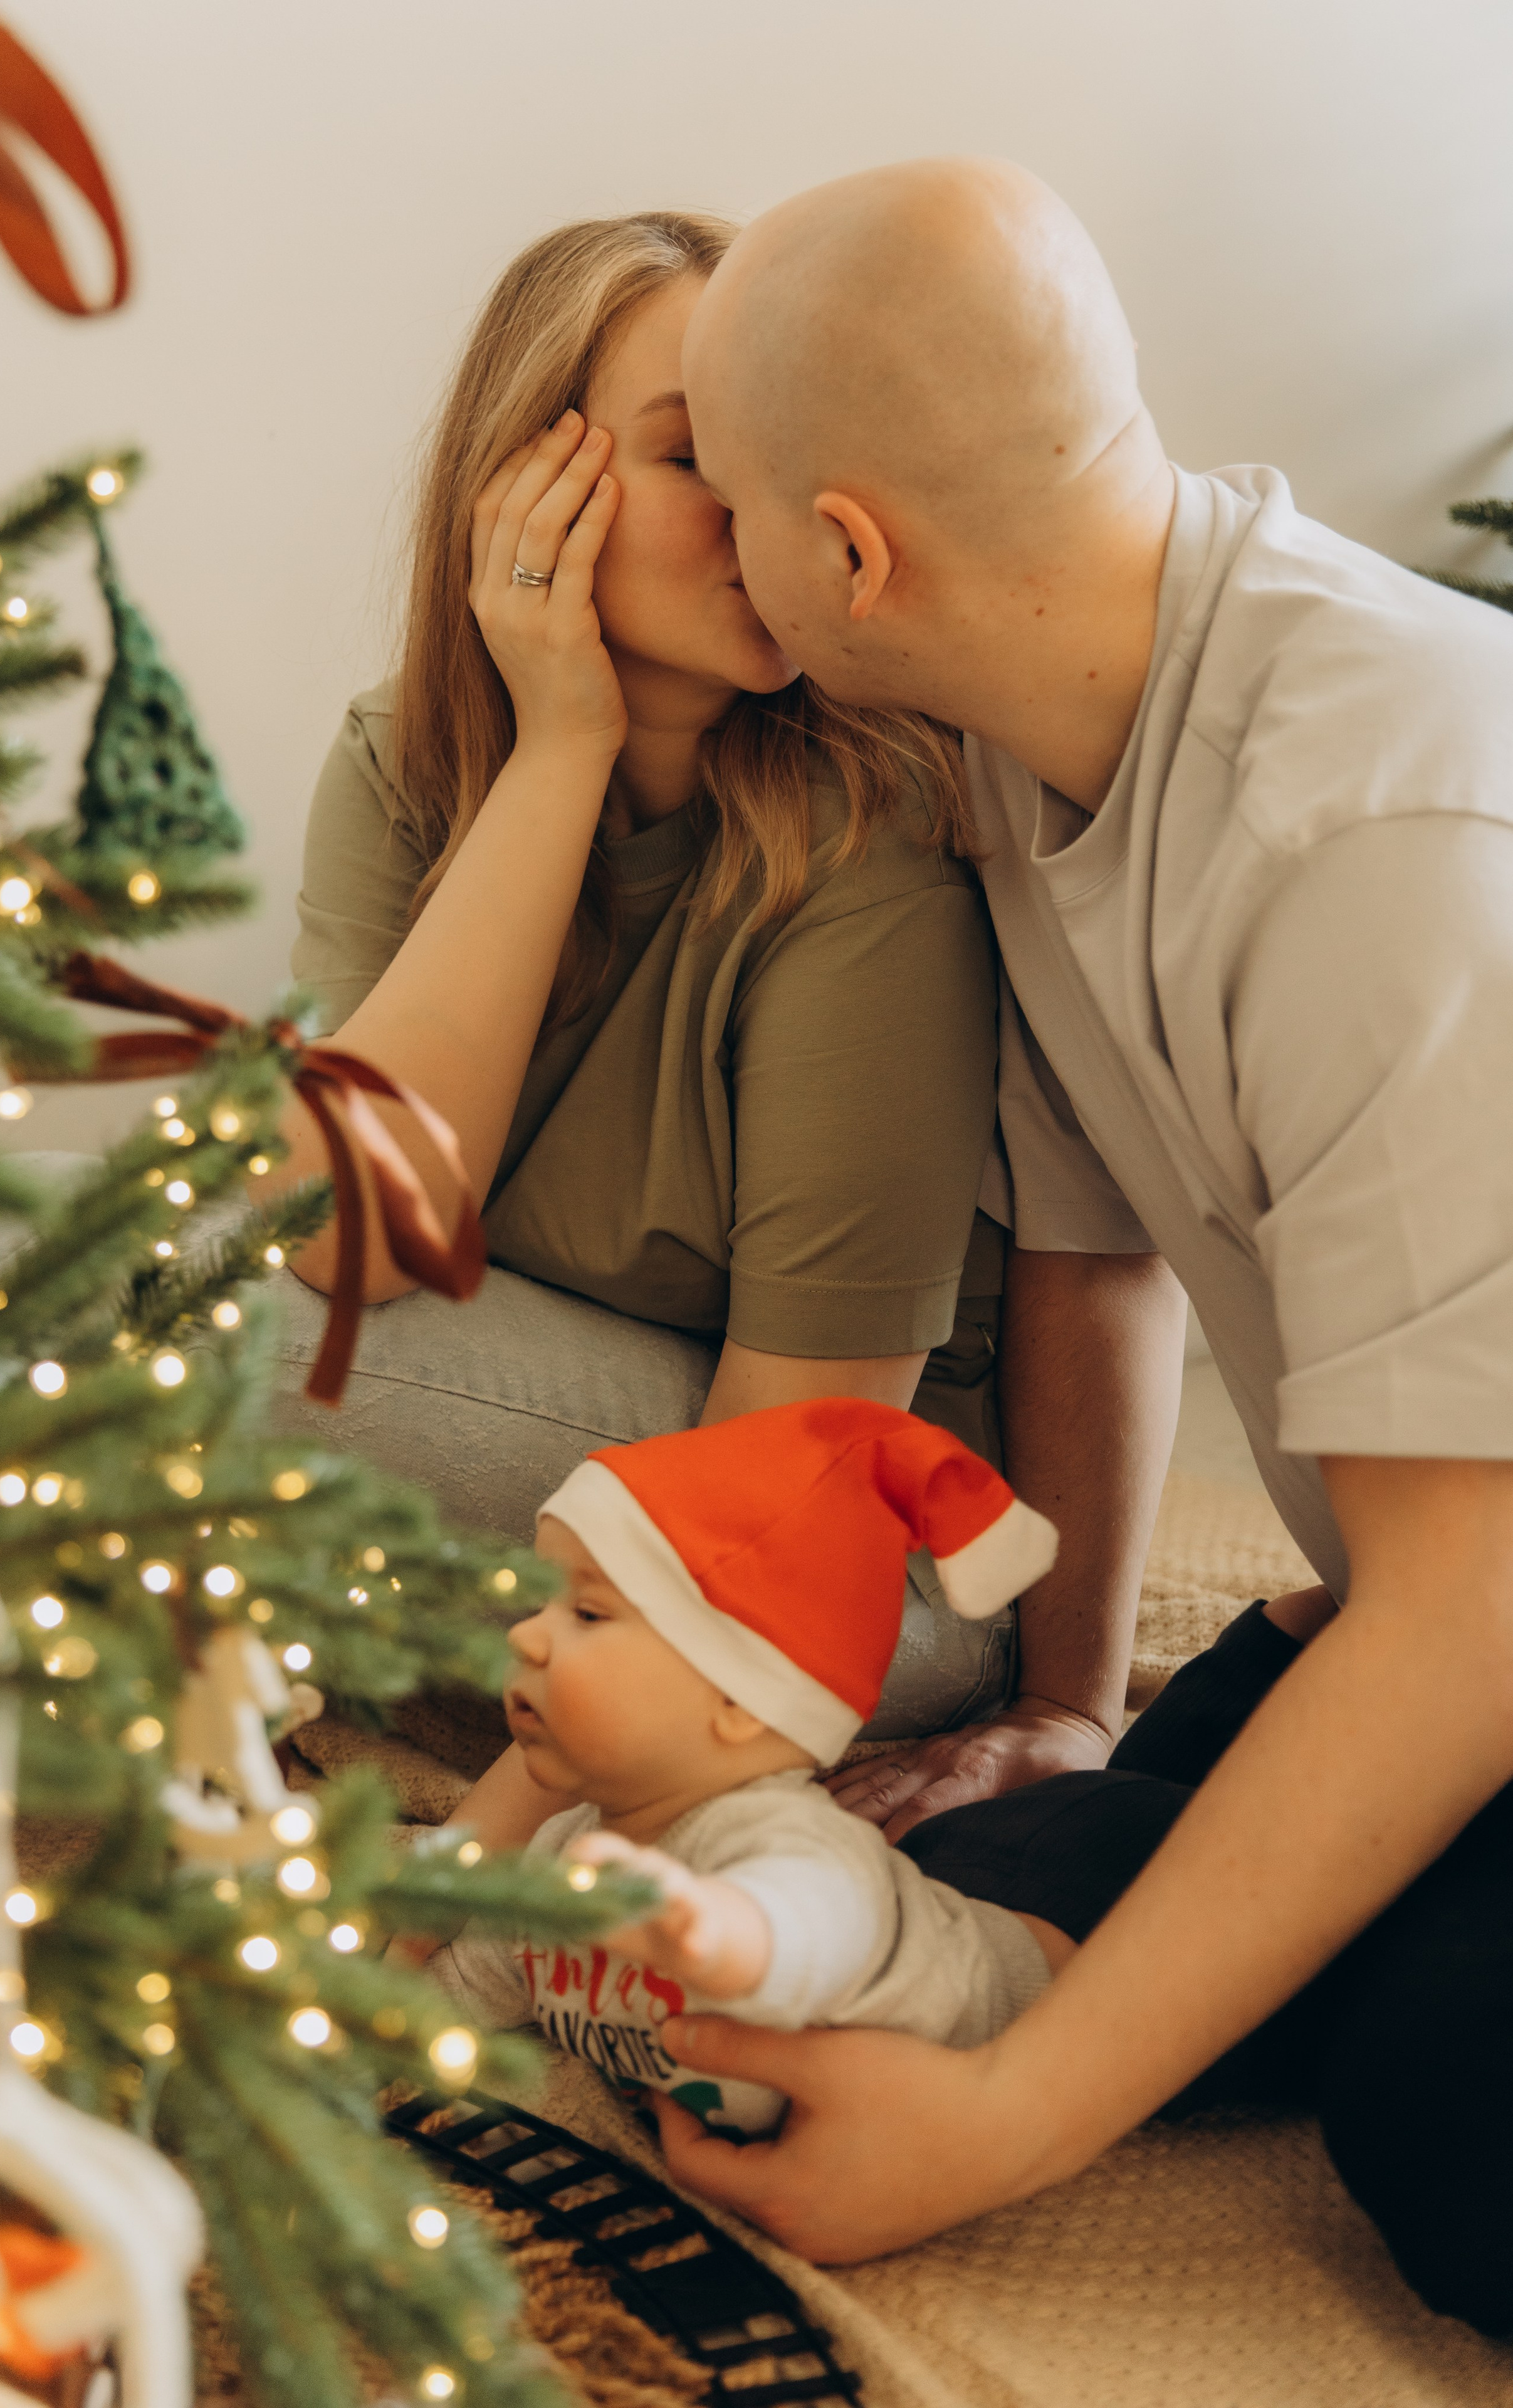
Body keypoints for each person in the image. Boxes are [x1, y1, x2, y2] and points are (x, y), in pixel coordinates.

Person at [647, 158, 1513, 2332]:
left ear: (848, 552)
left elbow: (1472, 1609)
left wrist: (1013, 2125)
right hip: (1424, 1583)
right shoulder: (1038, 743)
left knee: (1449, 2114)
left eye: (724, 495)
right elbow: (1101, 1249)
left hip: (1469, 1600)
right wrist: (1069, 1701)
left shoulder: (1378, 814)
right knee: (955, 1890)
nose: (724, 546)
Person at [273, 208, 1183, 1820]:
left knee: (130, 1332)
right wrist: (557, 749)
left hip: (855, 1569)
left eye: (787, 459)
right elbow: (350, 1228)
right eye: (698, 456)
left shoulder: (872, 829)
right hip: (562, 1451)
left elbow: (793, 1455)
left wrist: (447, 1900)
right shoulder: (405, 757)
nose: (763, 517)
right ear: (524, 484)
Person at [430, 1399, 1068, 2137]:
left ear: (740, 1698)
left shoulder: (797, 1851)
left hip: (1063, 1982)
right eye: (540, 1604)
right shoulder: (563, 1855)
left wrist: (715, 1931)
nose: (528, 1638)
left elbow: (805, 1925)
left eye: (588, 1614)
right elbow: (465, 1985)